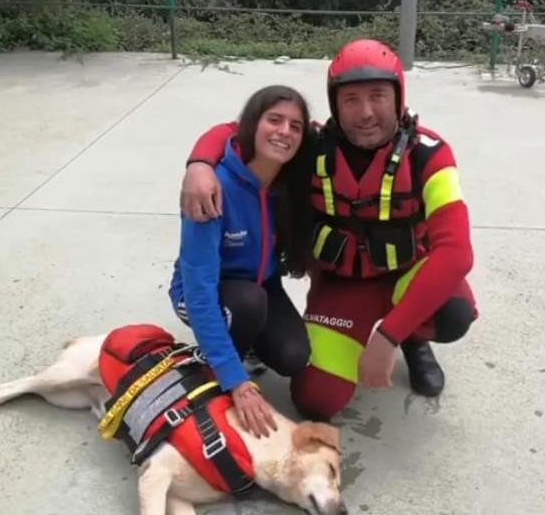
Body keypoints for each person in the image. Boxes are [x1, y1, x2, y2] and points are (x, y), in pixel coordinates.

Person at [180, 39, 478, 420]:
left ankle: (413, 340)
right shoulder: (311, 145)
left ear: (399, 96)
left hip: (406, 278)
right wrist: (199, 163)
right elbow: (239, 131)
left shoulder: (430, 154)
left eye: (378, 96)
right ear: (335, 104)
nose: (366, 112)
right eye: (351, 99)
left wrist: (387, 337)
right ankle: (373, 334)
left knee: (452, 311)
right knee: (315, 401)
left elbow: (456, 253)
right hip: (341, 288)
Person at [169, 85, 313, 437]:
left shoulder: (289, 181)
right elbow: (199, 289)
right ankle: (214, 370)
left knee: (293, 356)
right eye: (274, 120)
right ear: (251, 124)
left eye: (295, 126)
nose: (284, 132)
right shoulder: (212, 188)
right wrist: (237, 383)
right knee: (249, 304)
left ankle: (242, 346)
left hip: (260, 284)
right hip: (203, 292)